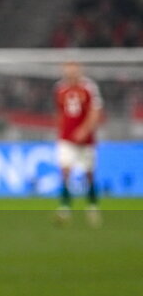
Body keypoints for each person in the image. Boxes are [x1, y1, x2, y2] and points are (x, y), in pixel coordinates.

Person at [54, 61, 103, 226]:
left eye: (73, 69)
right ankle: (65, 208)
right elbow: (60, 112)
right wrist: (60, 131)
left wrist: (85, 130)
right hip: (66, 139)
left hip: (86, 140)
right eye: (68, 70)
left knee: (89, 174)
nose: (70, 72)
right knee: (65, 171)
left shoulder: (89, 88)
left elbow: (95, 112)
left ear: (79, 70)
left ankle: (92, 206)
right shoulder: (60, 88)